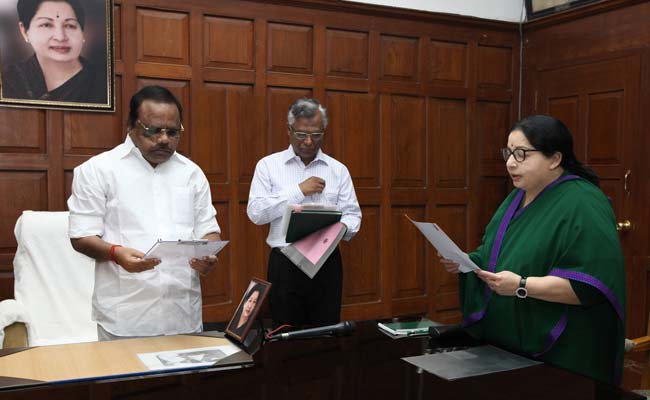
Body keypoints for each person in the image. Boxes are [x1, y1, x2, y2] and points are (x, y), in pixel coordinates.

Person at [441, 115, 625, 385]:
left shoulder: (584, 202)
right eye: (508, 153)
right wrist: (467, 262)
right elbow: (495, 252)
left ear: (554, 159)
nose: (510, 162)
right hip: (510, 348)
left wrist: (522, 286)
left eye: (522, 154)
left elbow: (590, 284)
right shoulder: (517, 197)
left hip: (565, 352)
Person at [68, 85, 220, 340]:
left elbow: (209, 229)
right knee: (124, 380)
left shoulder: (191, 173)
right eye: (153, 130)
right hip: (125, 316)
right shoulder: (97, 170)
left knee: (183, 381)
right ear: (131, 126)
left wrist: (208, 254)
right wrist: (116, 254)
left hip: (182, 312)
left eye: (172, 132)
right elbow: (81, 237)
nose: (163, 139)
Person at [247, 98, 362, 328]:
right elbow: (256, 213)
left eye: (316, 135)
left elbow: (353, 215)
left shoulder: (338, 170)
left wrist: (341, 228)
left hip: (326, 262)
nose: (308, 142)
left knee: (327, 332)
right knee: (286, 332)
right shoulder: (268, 166)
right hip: (285, 263)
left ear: (323, 132)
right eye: (301, 134)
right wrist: (299, 190)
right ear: (289, 130)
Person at [1, 0, 107, 103]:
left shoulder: (104, 86)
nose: (60, 37)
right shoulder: (8, 81)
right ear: (25, 31)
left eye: (70, 26)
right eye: (46, 25)